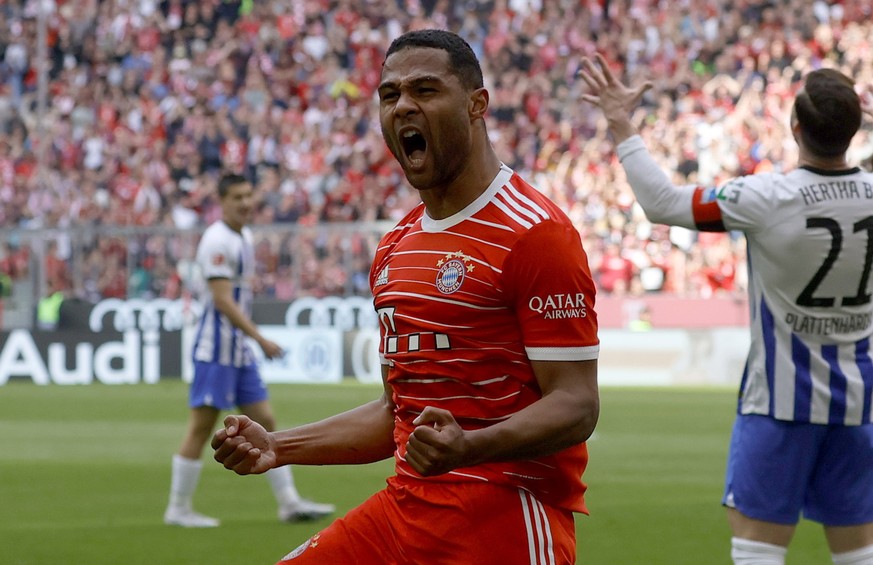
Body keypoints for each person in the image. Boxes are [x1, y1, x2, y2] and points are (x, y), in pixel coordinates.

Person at [211, 29, 600, 564]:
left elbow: (577, 405)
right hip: (407, 510)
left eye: (425, 90)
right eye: (390, 95)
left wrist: (470, 445)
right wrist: (279, 447)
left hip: (507, 516)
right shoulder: (397, 246)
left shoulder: (536, 234)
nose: (404, 106)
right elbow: (396, 414)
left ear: (476, 105)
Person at [579, 55, 873, 564]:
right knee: (858, 557)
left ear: (795, 126)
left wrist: (621, 121)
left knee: (757, 553)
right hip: (859, 404)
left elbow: (662, 203)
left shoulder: (765, 197)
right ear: (853, 130)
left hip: (780, 405)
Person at [164, 172, 334, 528]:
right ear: (222, 201)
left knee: (266, 421)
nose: (244, 203)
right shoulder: (217, 241)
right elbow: (223, 302)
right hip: (216, 349)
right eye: (237, 197)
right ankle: (178, 508)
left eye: (248, 196)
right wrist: (261, 338)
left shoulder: (243, 236)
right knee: (201, 426)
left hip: (237, 351)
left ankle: (288, 502)